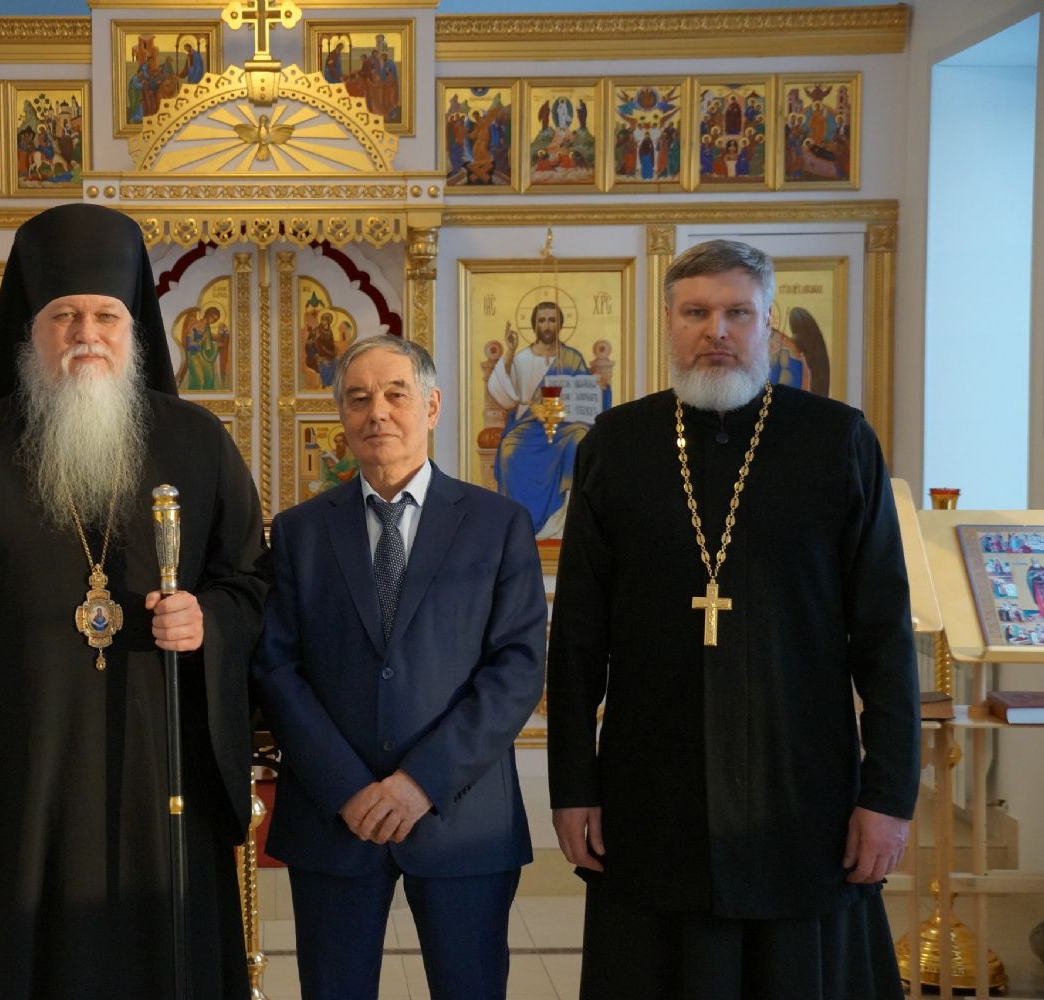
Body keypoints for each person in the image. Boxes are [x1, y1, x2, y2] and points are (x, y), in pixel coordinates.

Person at [0, 203, 269, 998]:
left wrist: (209, 618)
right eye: (64, 315)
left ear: (133, 330)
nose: (85, 334)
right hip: (16, 785)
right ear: (28, 332)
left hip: (158, 780)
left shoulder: (198, 443)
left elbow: (252, 583)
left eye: (106, 316)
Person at [546, 239, 919, 1000]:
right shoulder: (617, 445)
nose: (715, 330)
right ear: (669, 322)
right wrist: (572, 785)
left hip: (802, 790)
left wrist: (887, 795)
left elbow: (884, 636)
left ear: (767, 322)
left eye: (736, 313)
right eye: (696, 312)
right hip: (653, 788)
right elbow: (578, 636)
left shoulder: (837, 441)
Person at [253, 336, 547, 1000]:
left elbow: (517, 669)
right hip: (334, 818)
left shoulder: (498, 524)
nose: (377, 412)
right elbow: (278, 668)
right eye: (358, 399)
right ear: (342, 416)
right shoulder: (299, 531)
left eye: (395, 394)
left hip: (461, 816)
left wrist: (420, 783)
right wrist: (348, 788)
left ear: (432, 406)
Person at [488, 300, 609, 538]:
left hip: (568, 426)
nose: (547, 325)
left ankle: (564, 524)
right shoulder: (522, 359)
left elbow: (587, 397)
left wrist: (602, 388)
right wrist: (510, 351)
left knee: (579, 440)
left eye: (552, 320)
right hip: (531, 425)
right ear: (534, 325)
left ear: (560, 324)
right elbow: (504, 394)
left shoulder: (572, 358)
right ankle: (515, 525)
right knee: (508, 450)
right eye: (541, 320)